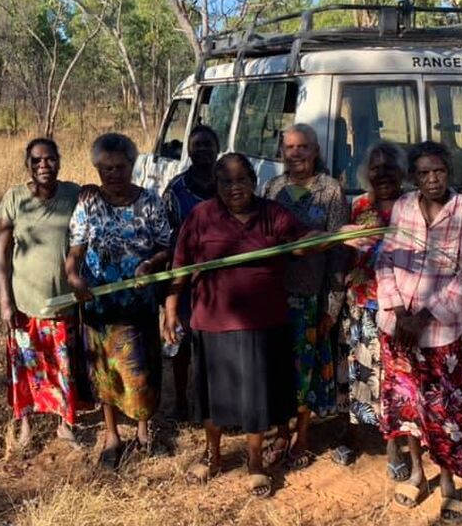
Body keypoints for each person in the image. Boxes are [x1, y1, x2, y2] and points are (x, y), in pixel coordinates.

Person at [165, 153, 311, 498]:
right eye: (226, 182)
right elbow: (180, 265)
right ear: (216, 186)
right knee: (211, 397)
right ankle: (212, 455)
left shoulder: (272, 214)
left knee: (256, 397)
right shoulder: (201, 216)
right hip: (212, 322)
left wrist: (334, 236)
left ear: (253, 181)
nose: (234, 188)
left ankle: (255, 461)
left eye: (241, 180)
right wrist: (171, 308)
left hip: (263, 323)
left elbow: (302, 242)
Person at [376, 141, 462, 523]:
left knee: (445, 413)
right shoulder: (404, 207)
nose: (432, 179)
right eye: (423, 173)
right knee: (407, 406)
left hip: (439, 333)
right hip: (398, 327)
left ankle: (450, 483)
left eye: (438, 171)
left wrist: (423, 317)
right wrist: (399, 310)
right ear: (413, 177)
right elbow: (385, 258)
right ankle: (418, 474)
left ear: (448, 171)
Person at [65, 133, 172, 469]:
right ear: (97, 169)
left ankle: (144, 431)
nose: (113, 174)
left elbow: (166, 245)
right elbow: (75, 250)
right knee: (103, 371)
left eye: (120, 167)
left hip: (137, 302)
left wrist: (151, 264)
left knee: (141, 371)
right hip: (98, 302)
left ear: (132, 166)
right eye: (105, 168)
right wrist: (73, 276)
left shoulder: (151, 201)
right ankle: (112, 436)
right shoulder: (88, 203)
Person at [263, 123, 349, 469]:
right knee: (278, 369)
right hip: (273, 298)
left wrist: (332, 305)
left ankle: (302, 435)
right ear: (282, 152)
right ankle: (280, 432)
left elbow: (339, 253)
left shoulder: (330, 192)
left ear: (315, 152)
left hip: (310, 299)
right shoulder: (273, 188)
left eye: (303, 147)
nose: (296, 154)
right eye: (290, 147)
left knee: (305, 373)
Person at [0, 138, 82, 449]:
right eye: (36, 161)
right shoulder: (15, 198)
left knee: (63, 365)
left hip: (61, 299)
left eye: (49, 159)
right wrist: (5, 300)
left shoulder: (74, 194)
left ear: (59, 161)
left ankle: (65, 423)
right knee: (24, 365)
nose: (43, 165)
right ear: (28, 165)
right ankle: (26, 426)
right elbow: (3, 254)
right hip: (24, 301)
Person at [339, 143, 410, 477]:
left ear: (402, 172)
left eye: (389, 167)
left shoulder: (412, 206)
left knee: (396, 381)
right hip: (363, 303)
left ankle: (395, 445)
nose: (382, 174)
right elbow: (346, 253)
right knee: (360, 376)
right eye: (375, 168)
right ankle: (353, 436)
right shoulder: (359, 206)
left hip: (400, 308)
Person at [160, 125, 220, 420]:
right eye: (197, 145)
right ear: (189, 150)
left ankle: (211, 403)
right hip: (184, 276)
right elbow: (165, 232)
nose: (203, 150)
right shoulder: (176, 189)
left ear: (217, 148)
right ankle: (181, 402)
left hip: (220, 280)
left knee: (215, 344)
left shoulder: (227, 184)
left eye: (208, 144)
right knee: (181, 341)